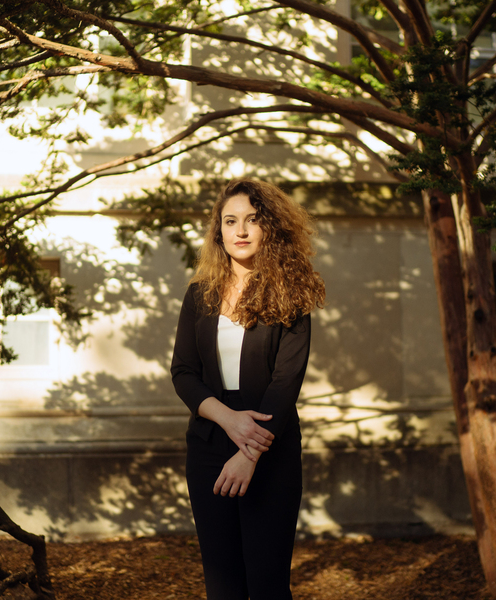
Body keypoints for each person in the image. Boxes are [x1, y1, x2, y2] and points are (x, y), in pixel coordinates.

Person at [171, 179, 326, 600]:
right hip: (208, 447)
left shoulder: (292, 295)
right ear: (218, 232)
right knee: (223, 587)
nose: (240, 230)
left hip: (269, 448)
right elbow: (183, 372)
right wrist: (227, 418)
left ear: (269, 229)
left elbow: (284, 384)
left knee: (267, 584)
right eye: (230, 221)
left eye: (252, 220)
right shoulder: (198, 296)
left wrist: (248, 453)